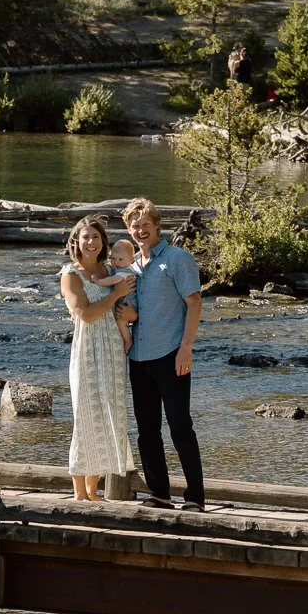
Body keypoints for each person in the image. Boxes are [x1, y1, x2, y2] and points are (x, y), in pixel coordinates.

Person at [122, 196, 205, 508]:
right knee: (147, 430)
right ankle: (159, 494)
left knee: (180, 426)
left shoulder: (177, 259)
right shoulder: (131, 268)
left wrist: (186, 349)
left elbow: (194, 303)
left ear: (157, 226)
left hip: (171, 354)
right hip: (139, 358)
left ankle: (195, 497)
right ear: (129, 230)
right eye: (135, 226)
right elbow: (133, 315)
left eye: (146, 225)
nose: (140, 230)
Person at [59, 217, 136, 500]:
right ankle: (79, 492)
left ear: (103, 241)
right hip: (88, 349)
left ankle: (93, 490)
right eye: (86, 237)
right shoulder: (71, 275)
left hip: (113, 348)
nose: (91, 242)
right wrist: (115, 293)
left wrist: (130, 313)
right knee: (86, 414)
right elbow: (86, 314)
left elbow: (130, 303)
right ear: (76, 242)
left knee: (109, 414)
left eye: (96, 237)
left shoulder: (111, 269)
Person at [106, 231, 139, 351]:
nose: (116, 262)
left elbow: (112, 280)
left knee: (121, 322)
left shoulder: (124, 272)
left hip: (129, 303)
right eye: (113, 258)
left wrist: (98, 281)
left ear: (131, 260)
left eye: (120, 259)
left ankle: (128, 340)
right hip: (128, 301)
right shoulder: (124, 267)